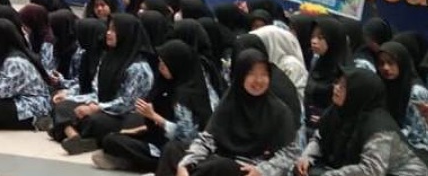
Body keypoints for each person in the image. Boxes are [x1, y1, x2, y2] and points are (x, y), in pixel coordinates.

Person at [96, 40, 219, 173]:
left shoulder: (187, 93)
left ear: (177, 65)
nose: (160, 67)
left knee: (170, 149)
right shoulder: (165, 83)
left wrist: (155, 117)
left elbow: (186, 136)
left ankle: (143, 163)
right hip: (158, 138)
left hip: (182, 148)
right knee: (111, 139)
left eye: (165, 64)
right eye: (160, 62)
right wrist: (143, 128)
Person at [176, 49, 300, 176]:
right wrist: (187, 163)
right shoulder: (230, 103)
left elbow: (290, 153)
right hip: (223, 158)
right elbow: (209, 138)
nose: (258, 80)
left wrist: (262, 171)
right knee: (174, 150)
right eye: (251, 74)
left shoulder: (278, 111)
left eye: (264, 74)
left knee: (218, 167)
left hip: (253, 169)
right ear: (240, 76)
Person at [296, 67, 428, 176]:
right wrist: (307, 157)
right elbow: (320, 136)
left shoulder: (379, 128)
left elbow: (371, 170)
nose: (336, 88)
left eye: (343, 87)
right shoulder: (337, 111)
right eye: (337, 83)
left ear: (357, 93)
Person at [54, 13, 155, 155]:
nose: (108, 33)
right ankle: (76, 136)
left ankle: (73, 132)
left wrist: (96, 108)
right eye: (109, 28)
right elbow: (97, 91)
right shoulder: (108, 58)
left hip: (125, 115)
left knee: (92, 120)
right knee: (64, 106)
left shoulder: (138, 67)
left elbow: (128, 103)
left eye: (114, 30)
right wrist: (73, 98)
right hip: (103, 107)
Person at [0, 19, 53, 131]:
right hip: (17, 97)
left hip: (33, 105)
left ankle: (34, 122)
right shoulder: (10, 54)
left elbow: (4, 90)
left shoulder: (15, 61)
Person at [377, 42, 428, 163]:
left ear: (402, 63)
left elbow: (417, 134)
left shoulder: (416, 92)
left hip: (422, 147)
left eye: (391, 63)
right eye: (381, 63)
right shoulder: (382, 86)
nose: (385, 68)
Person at [306, 16, 350, 133]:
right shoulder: (316, 61)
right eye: (312, 36)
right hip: (308, 124)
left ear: (333, 39)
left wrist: (326, 118)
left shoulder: (344, 71)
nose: (314, 41)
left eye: (321, 37)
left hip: (327, 130)